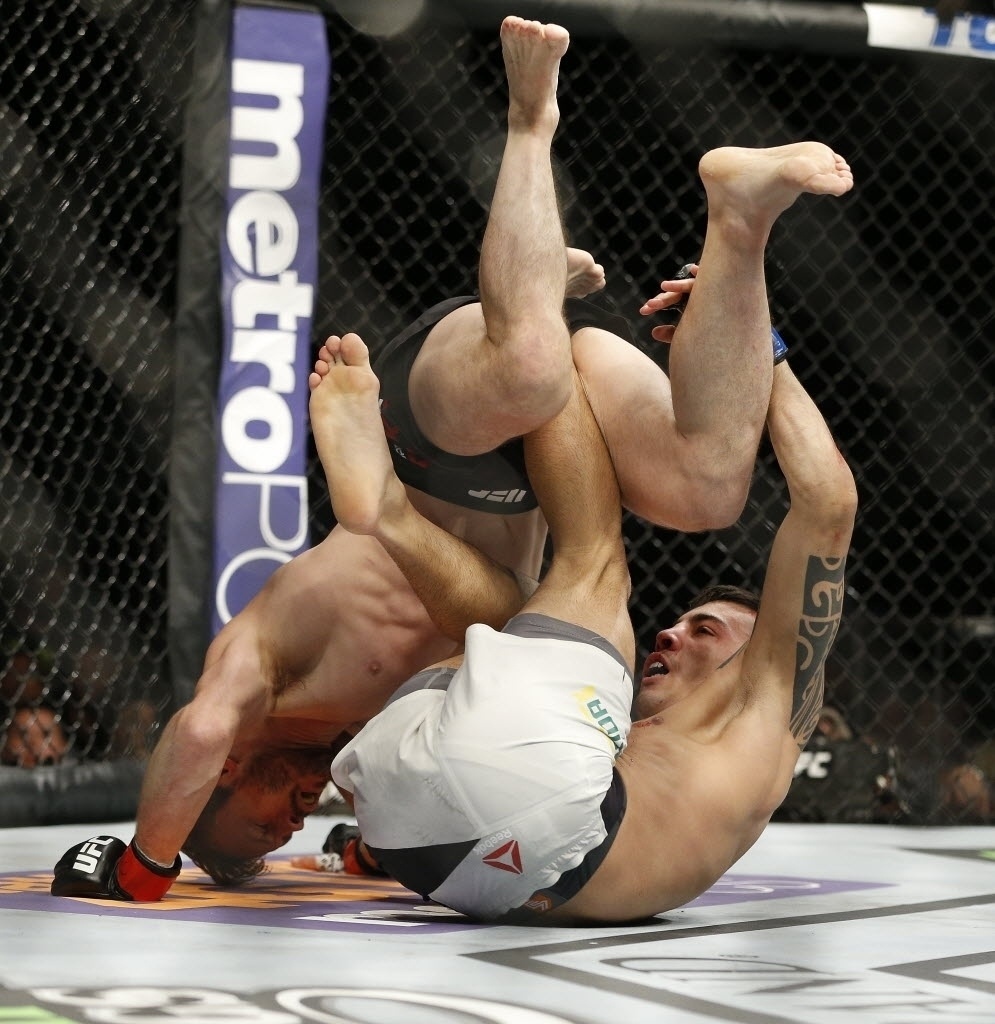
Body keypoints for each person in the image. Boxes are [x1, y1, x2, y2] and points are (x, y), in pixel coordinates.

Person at [50, 15, 853, 902]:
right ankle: (737, 223)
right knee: (707, 489)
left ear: (230, 772)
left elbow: (197, 733)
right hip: (528, 532)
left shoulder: (254, 676)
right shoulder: (351, 747)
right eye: (285, 832)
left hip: (422, 440)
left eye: (263, 818)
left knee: (529, 371)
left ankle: (527, 125)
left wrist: (144, 860)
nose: (290, 823)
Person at [324, 315, 858, 923]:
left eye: (705, 631)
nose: (669, 633)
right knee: (525, 611)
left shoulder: (772, 701)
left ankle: (536, 351)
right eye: (682, 624)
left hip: (536, 809)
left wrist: (764, 347)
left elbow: (830, 503)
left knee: (594, 565)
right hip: (421, 846)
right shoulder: (648, 750)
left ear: (762, 655)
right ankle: (388, 513)